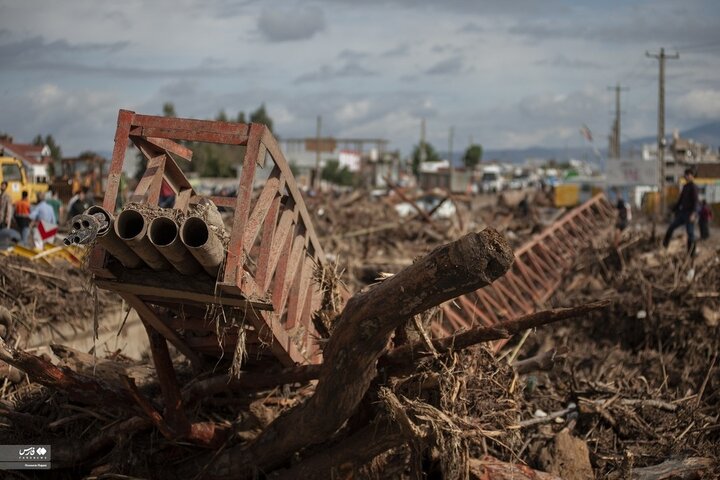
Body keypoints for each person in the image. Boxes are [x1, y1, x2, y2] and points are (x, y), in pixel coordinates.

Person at [663, 168, 699, 254]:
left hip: (690, 214)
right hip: (683, 213)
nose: (686, 177)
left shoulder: (694, 187)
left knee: (690, 233)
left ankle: (691, 253)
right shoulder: (685, 187)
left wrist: (693, 214)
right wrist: (673, 209)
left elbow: (695, 201)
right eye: (685, 175)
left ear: (691, 176)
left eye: (687, 175)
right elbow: (680, 201)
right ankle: (664, 245)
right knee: (671, 227)